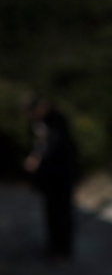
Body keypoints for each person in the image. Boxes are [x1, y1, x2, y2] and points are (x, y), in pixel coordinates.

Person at [23, 94, 79, 262]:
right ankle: (54, 246)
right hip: (50, 178)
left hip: (62, 176)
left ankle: (63, 250)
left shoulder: (56, 120)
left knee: (62, 213)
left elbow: (53, 145)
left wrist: (37, 159)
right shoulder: (38, 123)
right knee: (52, 213)